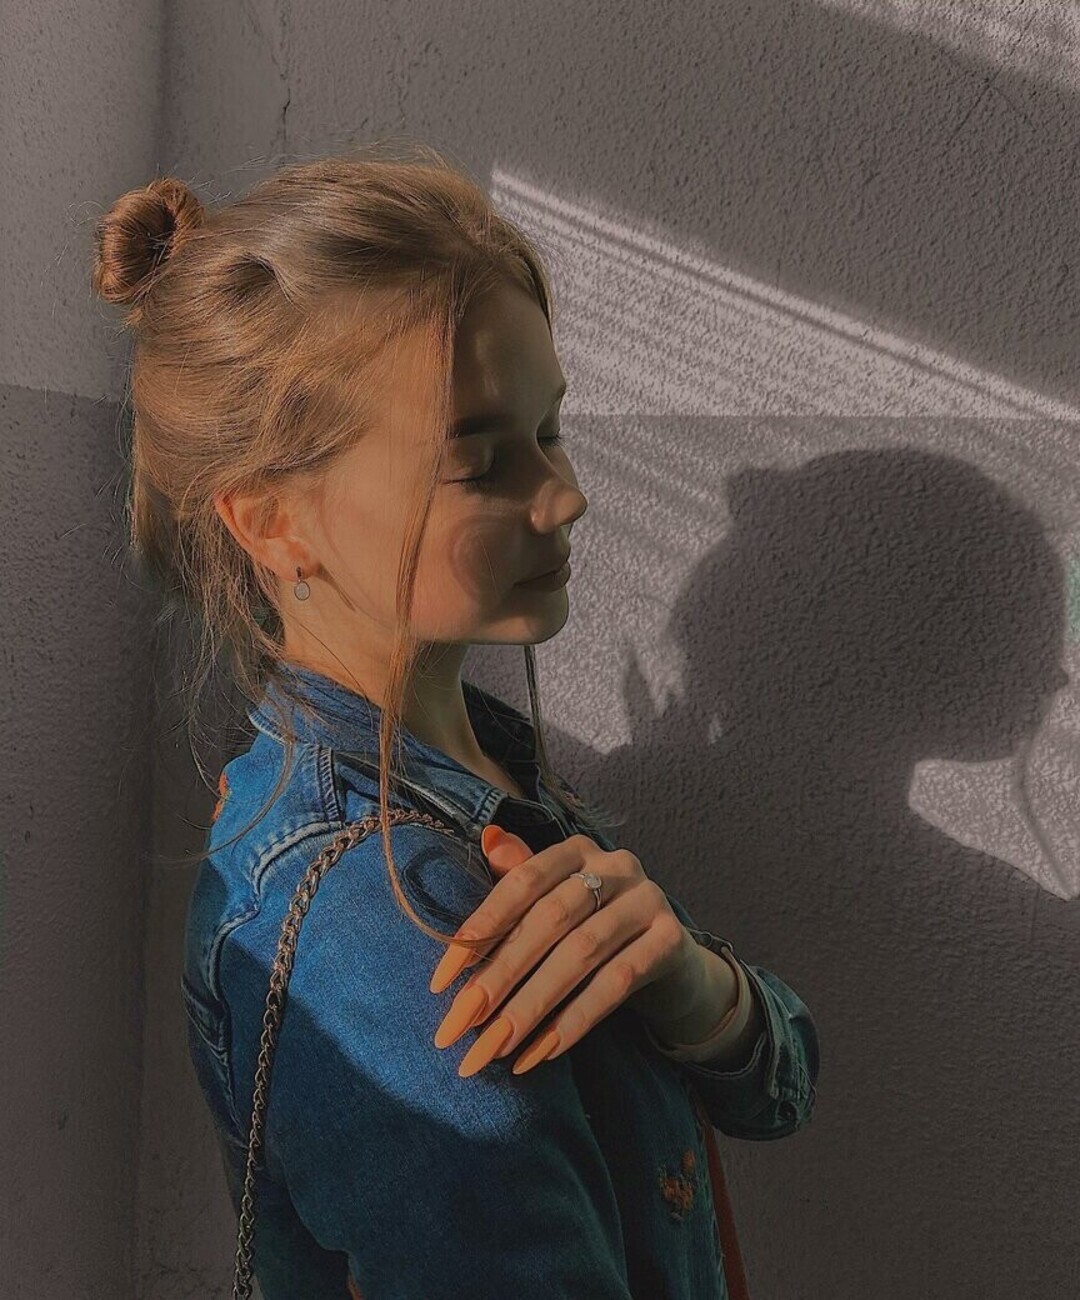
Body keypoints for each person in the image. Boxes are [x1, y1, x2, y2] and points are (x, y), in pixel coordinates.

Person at [92, 141, 819, 1299]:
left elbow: (780, 1084)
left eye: (551, 431)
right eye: (480, 462)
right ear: (273, 521)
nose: (566, 494)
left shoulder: (485, 767)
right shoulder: (374, 914)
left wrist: (693, 985)